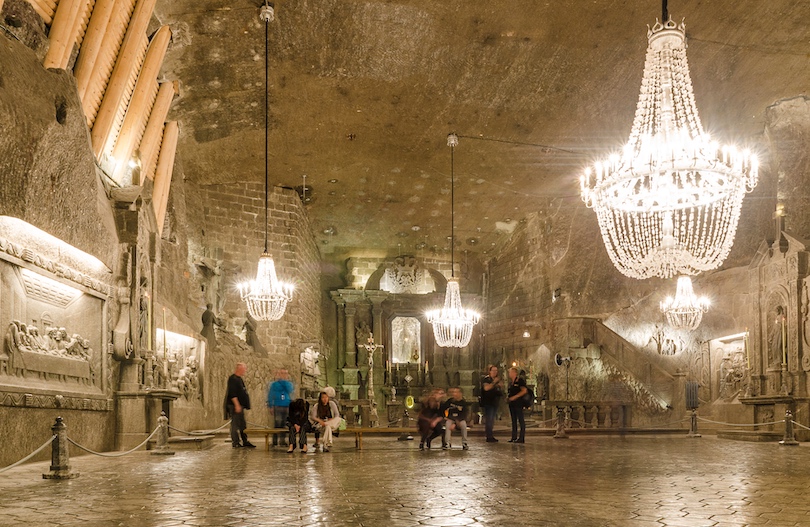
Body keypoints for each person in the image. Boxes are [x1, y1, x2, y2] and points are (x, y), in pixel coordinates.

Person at [224, 362, 255, 448]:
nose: (245, 370)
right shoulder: (233, 379)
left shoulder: (239, 379)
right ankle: (235, 442)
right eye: (244, 369)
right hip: (235, 405)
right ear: (239, 369)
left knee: (242, 424)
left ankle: (245, 441)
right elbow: (233, 394)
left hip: (240, 405)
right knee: (235, 424)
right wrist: (237, 405)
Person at [267, 369, 294, 446]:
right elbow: (270, 394)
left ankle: (282, 441)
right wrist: (270, 405)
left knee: (284, 423)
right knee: (277, 423)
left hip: (286, 405)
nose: (284, 375)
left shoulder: (289, 384)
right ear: (279, 374)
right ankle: (274, 441)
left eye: (285, 373)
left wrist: (284, 381)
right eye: (282, 373)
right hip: (277, 405)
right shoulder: (274, 384)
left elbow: (290, 390)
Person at [480, 365, 503, 442]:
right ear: (489, 371)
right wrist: (494, 382)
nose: (495, 372)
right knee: (489, 419)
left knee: (492, 419)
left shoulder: (497, 380)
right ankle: (489, 436)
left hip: (495, 402)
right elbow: (486, 388)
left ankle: (491, 435)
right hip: (488, 402)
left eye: (496, 371)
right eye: (493, 370)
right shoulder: (487, 379)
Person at [506, 366, 528, 443]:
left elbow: (524, 390)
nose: (509, 374)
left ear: (515, 373)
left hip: (518, 403)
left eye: (510, 372)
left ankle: (521, 438)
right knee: (513, 420)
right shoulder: (510, 382)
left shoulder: (520, 381)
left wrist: (515, 397)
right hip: (512, 404)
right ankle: (514, 437)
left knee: (521, 420)